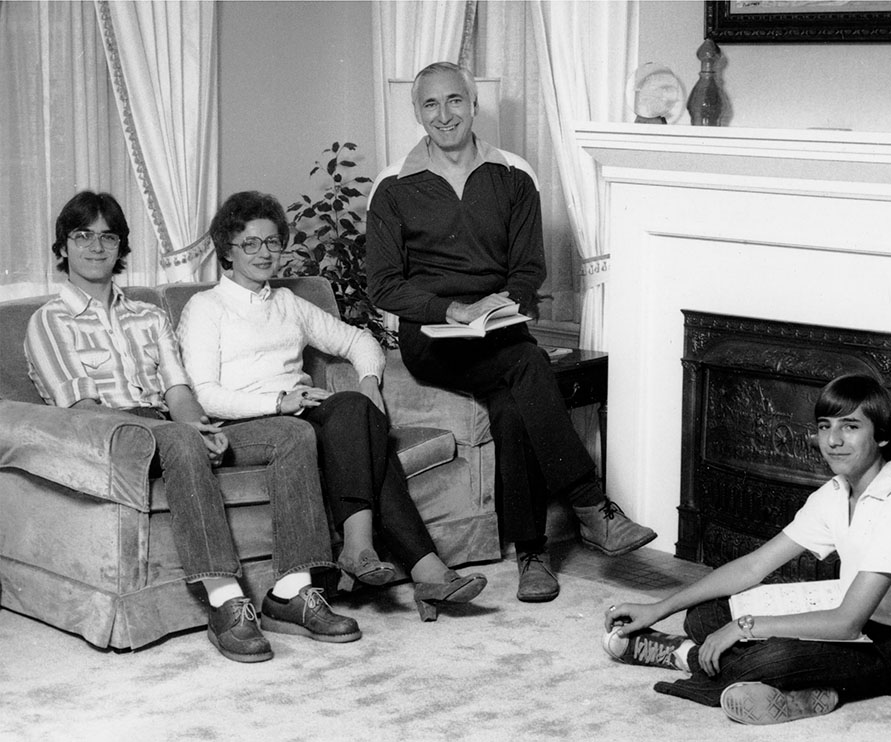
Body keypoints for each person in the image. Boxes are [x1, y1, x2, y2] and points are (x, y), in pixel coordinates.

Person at [366, 61, 657, 603]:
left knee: (512, 403)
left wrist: (504, 305)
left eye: (455, 100)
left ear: (474, 105)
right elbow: (383, 286)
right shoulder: (393, 186)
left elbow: (528, 267)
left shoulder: (514, 175)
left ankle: (531, 555)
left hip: (499, 328)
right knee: (530, 365)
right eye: (430, 104)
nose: (445, 114)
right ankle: (591, 505)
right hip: (431, 338)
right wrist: (448, 309)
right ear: (416, 113)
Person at [24, 191, 358, 664]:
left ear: (121, 248)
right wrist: (181, 434)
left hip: (171, 425)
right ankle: (224, 600)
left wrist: (199, 426)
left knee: (292, 432)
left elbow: (179, 392)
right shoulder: (48, 321)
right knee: (181, 440)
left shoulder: (149, 315)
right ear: (63, 248)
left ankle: (291, 592)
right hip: (110, 435)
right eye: (82, 235)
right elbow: (82, 410)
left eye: (108, 236)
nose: (96, 246)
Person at [176, 190, 487, 622]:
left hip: (302, 410)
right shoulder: (205, 308)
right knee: (360, 430)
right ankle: (423, 568)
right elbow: (204, 393)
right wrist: (278, 402)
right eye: (250, 243)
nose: (264, 253)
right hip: (247, 420)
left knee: (355, 408)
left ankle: (362, 550)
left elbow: (360, 341)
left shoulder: (287, 303)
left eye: (272, 242)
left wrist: (368, 383)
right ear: (227, 250)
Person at [603, 374, 891, 725]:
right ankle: (806, 692)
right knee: (704, 616)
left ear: (883, 435)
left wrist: (743, 628)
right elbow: (753, 567)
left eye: (851, 426)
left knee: (772, 657)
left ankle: (683, 655)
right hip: (852, 618)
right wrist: (659, 608)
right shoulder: (836, 493)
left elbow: (845, 624)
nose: (833, 440)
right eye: (825, 426)